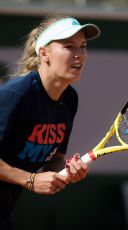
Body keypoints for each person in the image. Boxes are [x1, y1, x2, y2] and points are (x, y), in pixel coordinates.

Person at [0, 14, 101, 230]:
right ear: (44, 53)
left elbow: (55, 158)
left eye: (83, 46)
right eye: (69, 46)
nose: (79, 54)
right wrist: (30, 179)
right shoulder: (14, 96)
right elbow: (30, 177)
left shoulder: (69, 99)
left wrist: (66, 171)